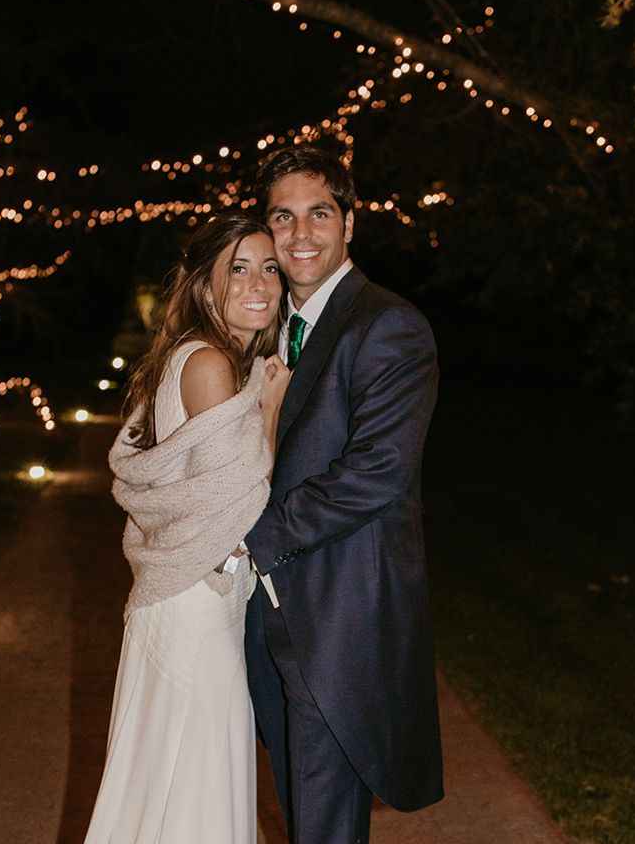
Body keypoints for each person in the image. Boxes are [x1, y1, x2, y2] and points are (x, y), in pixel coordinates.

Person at [243, 146, 444, 844]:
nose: (300, 234)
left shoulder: (388, 326)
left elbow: (377, 471)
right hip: (260, 613)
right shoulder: (265, 332)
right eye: (283, 217)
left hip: (337, 618)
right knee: (300, 811)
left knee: (324, 823)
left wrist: (249, 540)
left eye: (318, 214)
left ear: (350, 223)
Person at [84, 211, 290, 844]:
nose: (260, 284)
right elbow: (243, 494)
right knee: (198, 778)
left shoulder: (193, 356)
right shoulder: (208, 364)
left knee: (171, 776)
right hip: (198, 603)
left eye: (270, 269)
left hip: (186, 595)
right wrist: (272, 409)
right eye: (239, 269)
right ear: (206, 286)